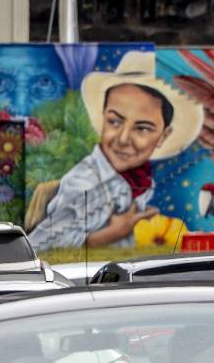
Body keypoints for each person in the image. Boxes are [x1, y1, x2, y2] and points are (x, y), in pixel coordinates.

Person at [25, 51, 204, 251]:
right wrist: (112, 234)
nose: (123, 138)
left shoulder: (138, 179)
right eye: (115, 121)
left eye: (142, 128)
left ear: (163, 135)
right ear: (103, 119)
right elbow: (39, 245)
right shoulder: (86, 184)